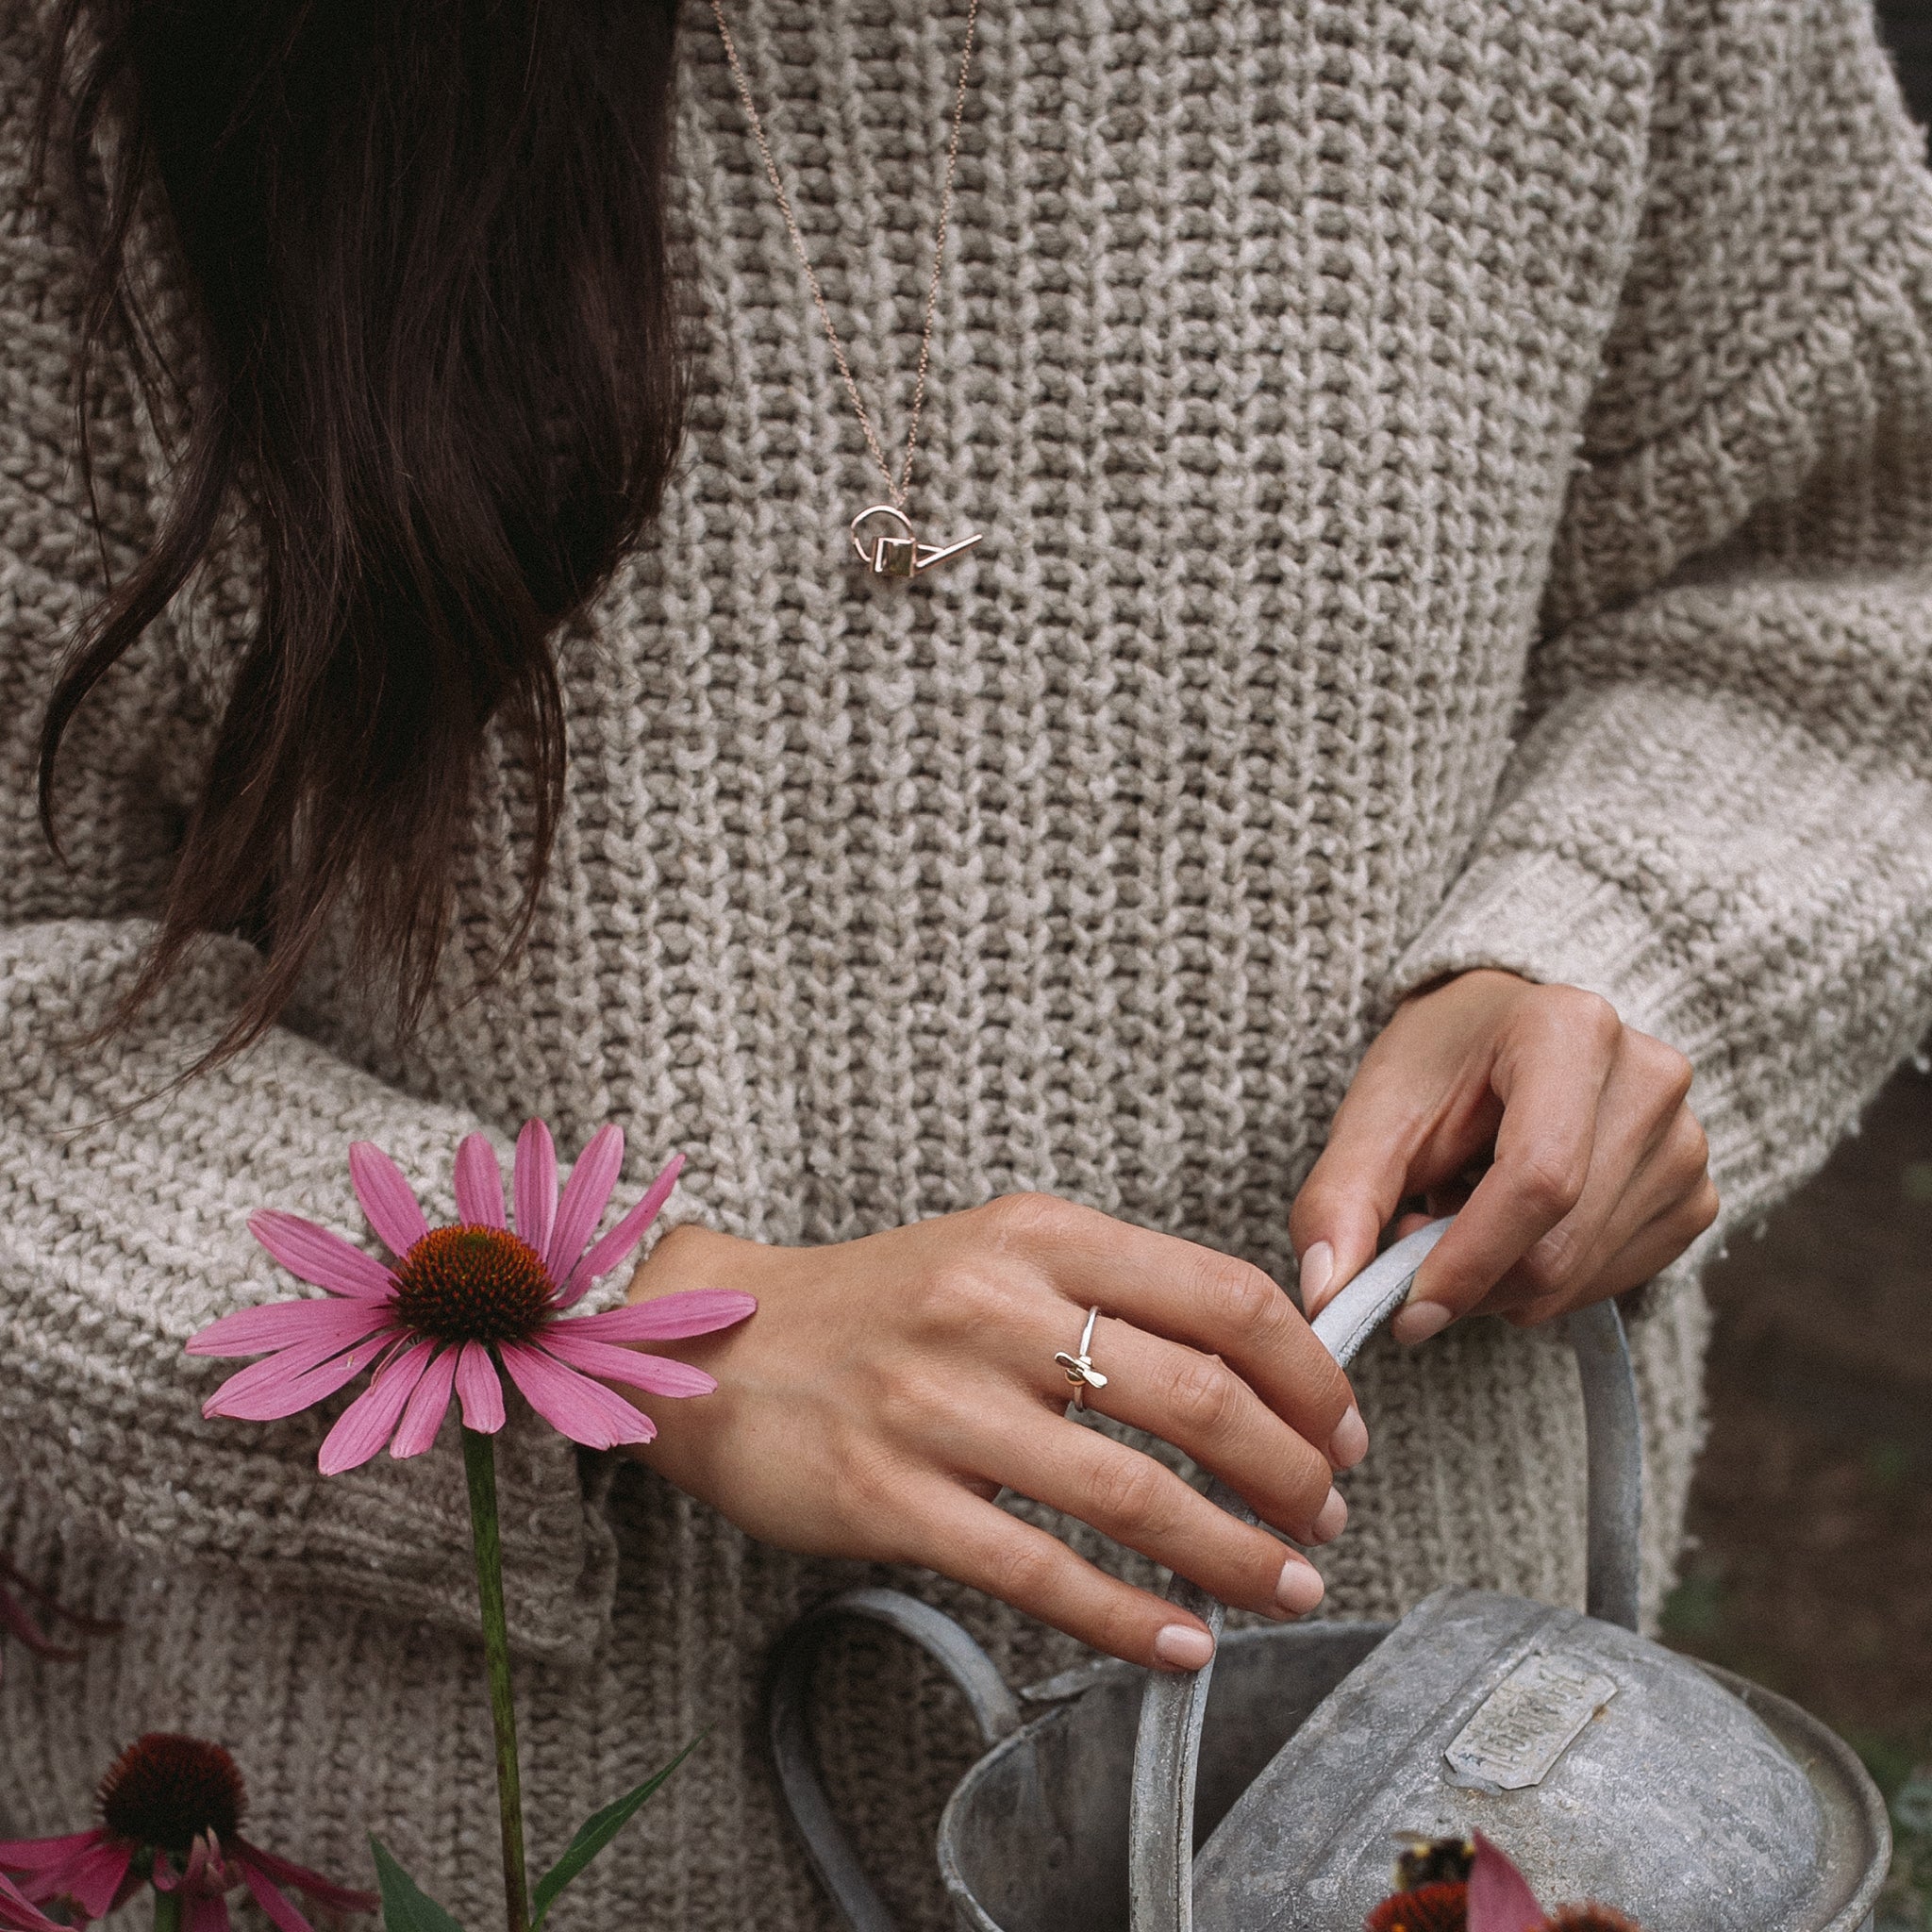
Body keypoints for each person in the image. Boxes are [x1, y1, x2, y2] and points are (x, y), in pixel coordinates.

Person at [1, 0, 1927, 1924]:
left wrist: (1613, 952)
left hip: (1421, 1787)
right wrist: (645, 1327)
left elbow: (1837, 561)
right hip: (434, 1823)